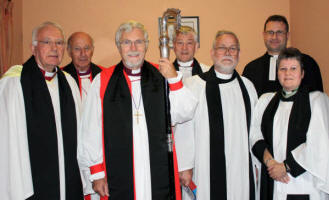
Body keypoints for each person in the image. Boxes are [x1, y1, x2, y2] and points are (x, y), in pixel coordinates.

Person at [77, 20, 197, 200]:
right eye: (127, 42)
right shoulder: (103, 81)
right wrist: (96, 172)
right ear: (119, 46)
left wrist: (173, 79)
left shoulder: (162, 75)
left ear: (146, 46)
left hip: (157, 168)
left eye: (139, 42)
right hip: (117, 171)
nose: (133, 47)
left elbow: (185, 112)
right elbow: (90, 130)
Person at [0, 21, 83, 199]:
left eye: (59, 43)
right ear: (33, 48)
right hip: (30, 183)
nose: (54, 48)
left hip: (68, 181)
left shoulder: (68, 83)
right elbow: (9, 142)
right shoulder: (15, 83)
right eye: (47, 42)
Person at [175, 30, 258, 200]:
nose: (228, 53)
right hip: (204, 166)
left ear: (239, 54)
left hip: (240, 166)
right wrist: (185, 166)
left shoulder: (248, 86)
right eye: (222, 48)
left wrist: (256, 164)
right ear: (212, 53)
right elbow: (184, 128)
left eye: (233, 48)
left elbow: (255, 129)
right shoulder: (194, 85)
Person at [250, 47, 329, 200]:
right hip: (271, 178)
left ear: (302, 73)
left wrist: (285, 166)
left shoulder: (316, 101)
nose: (288, 73)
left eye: (293, 68)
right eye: (283, 69)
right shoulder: (266, 101)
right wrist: (270, 162)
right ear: (277, 73)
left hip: (303, 181)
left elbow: (319, 143)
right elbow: (254, 134)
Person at [243, 15, 323, 97]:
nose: (274, 37)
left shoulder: (307, 63)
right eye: (270, 32)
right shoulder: (251, 69)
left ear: (287, 35)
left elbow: (317, 99)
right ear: (264, 35)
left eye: (279, 32)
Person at [63, 32, 103, 103]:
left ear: (92, 50)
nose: (83, 54)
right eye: (77, 49)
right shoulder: (61, 76)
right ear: (69, 51)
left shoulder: (104, 74)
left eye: (87, 48)